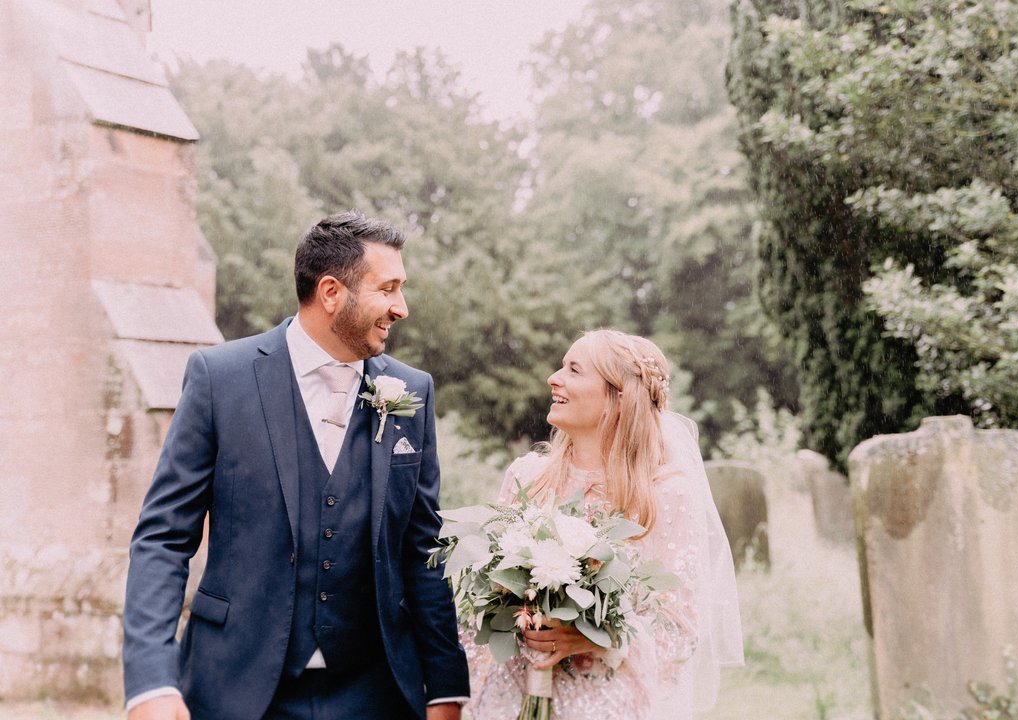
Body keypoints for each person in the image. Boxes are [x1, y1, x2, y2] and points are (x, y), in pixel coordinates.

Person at [122, 211, 469, 720]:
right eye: (388, 288)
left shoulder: (411, 391)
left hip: (376, 692)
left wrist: (444, 686)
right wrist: (151, 680)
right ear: (331, 292)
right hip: (233, 687)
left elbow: (423, 549)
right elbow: (163, 538)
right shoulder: (220, 379)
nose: (402, 308)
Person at [464, 330, 744, 720]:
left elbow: (678, 630)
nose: (554, 378)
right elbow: (485, 597)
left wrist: (598, 637)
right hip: (514, 696)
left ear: (617, 397)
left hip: (607, 704)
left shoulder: (665, 494)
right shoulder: (527, 476)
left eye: (574, 370)